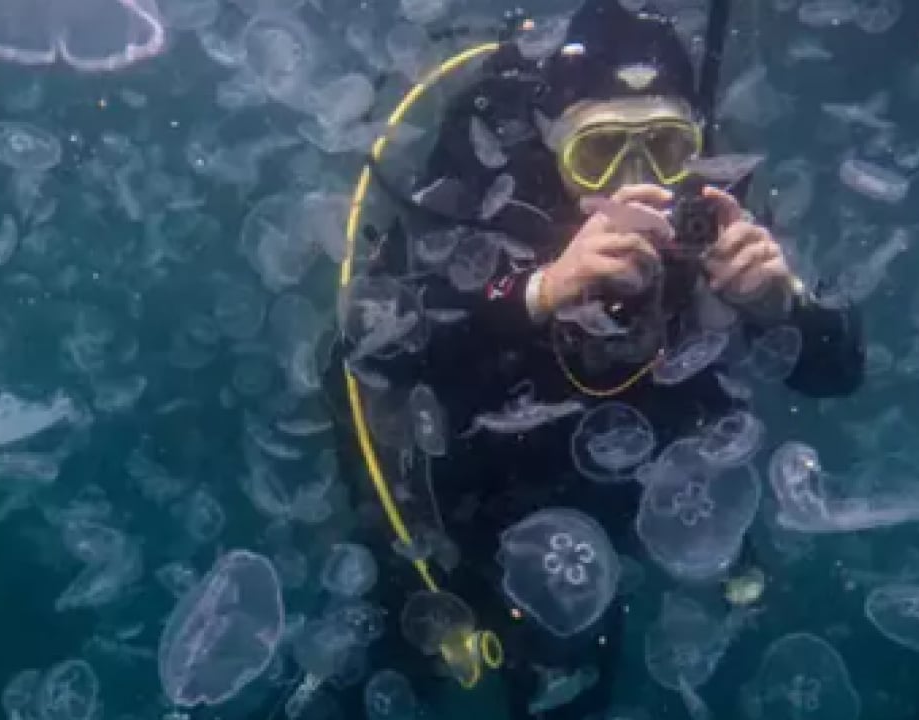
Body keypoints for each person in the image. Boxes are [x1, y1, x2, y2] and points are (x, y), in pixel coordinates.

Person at [328, 0, 864, 717]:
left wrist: (784, 305)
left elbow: (838, 372)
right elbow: (366, 350)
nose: (632, 176)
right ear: (553, 143)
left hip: (603, 541)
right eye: (598, 150)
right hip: (459, 523)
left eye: (666, 147)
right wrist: (536, 291)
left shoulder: (713, 219)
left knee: (576, 695)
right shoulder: (493, 207)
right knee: (373, 684)